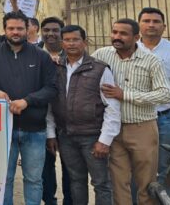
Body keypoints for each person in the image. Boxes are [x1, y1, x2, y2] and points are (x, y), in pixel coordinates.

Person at [0, 11, 58, 205]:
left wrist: (27, 101)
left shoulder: (41, 56)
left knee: (34, 179)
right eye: (11, 28)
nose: (15, 32)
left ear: (27, 29)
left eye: (20, 28)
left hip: (34, 128)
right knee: (5, 178)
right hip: (3, 129)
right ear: (4, 29)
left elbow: (52, 88)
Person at [92, 18, 170, 205]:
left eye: (123, 34)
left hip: (142, 128)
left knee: (146, 182)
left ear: (136, 37)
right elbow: (81, 67)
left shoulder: (151, 61)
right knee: (118, 183)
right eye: (114, 32)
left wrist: (125, 95)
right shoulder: (101, 55)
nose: (117, 37)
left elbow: (165, 94)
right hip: (114, 130)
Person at [46, 25, 120, 205]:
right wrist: (51, 134)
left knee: (101, 183)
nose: (71, 44)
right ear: (62, 43)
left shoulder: (99, 69)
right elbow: (50, 104)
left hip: (92, 137)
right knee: (76, 181)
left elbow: (112, 107)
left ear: (85, 42)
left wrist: (105, 140)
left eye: (75, 39)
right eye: (67, 40)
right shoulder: (55, 68)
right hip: (66, 136)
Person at [138, 7, 170, 187]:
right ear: (139, 25)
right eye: (146, 21)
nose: (151, 25)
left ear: (164, 26)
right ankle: (139, 199)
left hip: (166, 118)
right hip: (137, 119)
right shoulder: (130, 50)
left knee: (167, 167)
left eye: (156, 21)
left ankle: (164, 199)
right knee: (138, 165)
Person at [36, 16, 69, 205]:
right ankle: (49, 201)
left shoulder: (72, 53)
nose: (50, 34)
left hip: (67, 120)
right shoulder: (33, 54)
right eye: (46, 30)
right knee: (45, 167)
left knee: (70, 167)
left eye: (55, 30)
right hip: (41, 119)